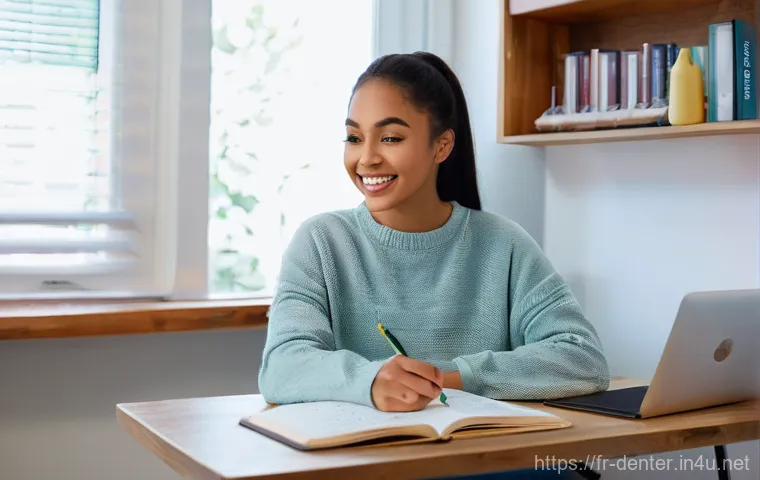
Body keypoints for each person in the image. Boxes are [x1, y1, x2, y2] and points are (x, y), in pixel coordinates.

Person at [258, 51, 609, 478]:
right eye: (354, 138)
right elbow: (283, 364)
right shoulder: (320, 242)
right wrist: (370, 381)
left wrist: (452, 377)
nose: (366, 158)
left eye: (390, 138)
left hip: (494, 464)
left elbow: (582, 358)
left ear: (442, 144)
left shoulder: (503, 243)